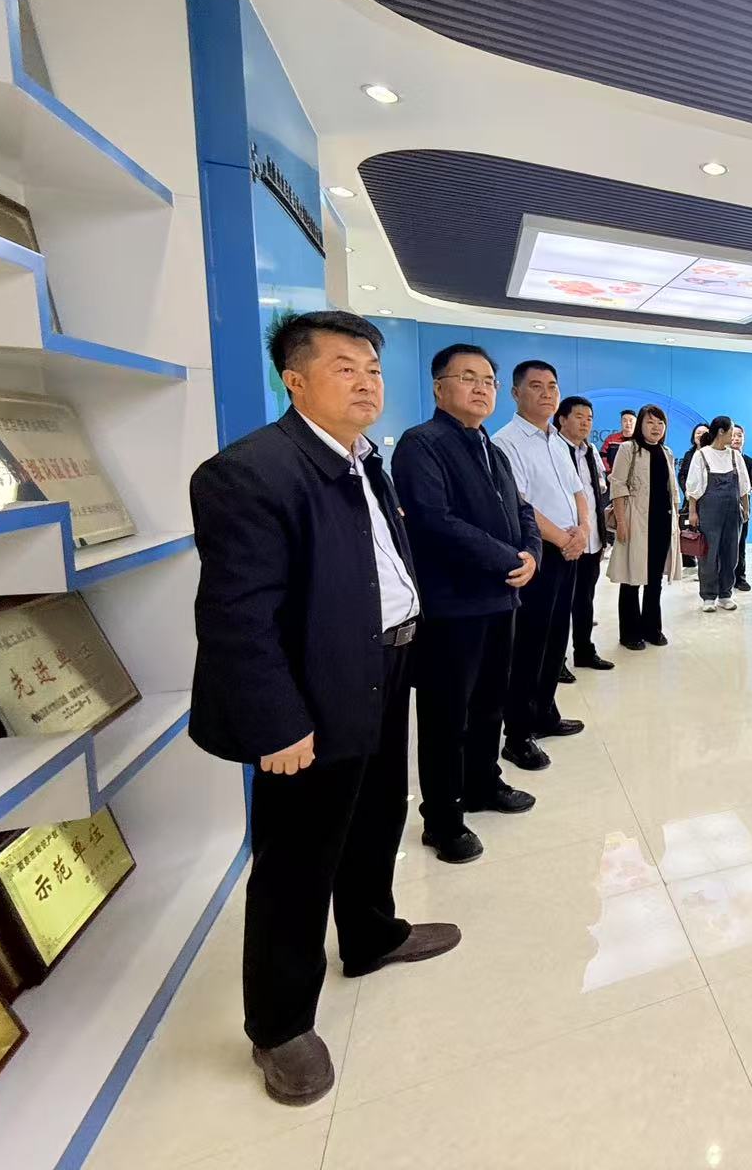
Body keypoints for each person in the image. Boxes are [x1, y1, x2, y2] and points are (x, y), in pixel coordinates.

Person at [188, 312, 459, 1107]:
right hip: (312, 690)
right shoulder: (250, 473)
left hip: (385, 665)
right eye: (345, 367)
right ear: (295, 380)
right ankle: (279, 1026)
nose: (367, 381)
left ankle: (371, 934)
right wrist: (277, 722)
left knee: (376, 814)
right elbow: (237, 615)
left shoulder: (363, 460)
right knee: (297, 861)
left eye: (372, 367)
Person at [392, 345, 543, 866]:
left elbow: (522, 508)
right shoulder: (422, 444)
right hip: (453, 605)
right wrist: (508, 558)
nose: (481, 388)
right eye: (468, 377)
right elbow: (432, 520)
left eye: (488, 380)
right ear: (439, 387)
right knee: (445, 715)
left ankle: (482, 783)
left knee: (490, 703)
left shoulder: (490, 448)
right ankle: (442, 819)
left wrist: (532, 552)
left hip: (501, 599)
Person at [491, 360, 587, 769]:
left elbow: (578, 491)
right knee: (529, 645)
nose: (547, 393)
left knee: (556, 638)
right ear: (516, 393)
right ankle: (517, 735)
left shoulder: (558, 442)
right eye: (536, 386)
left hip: (569, 551)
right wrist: (563, 539)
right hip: (537, 555)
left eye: (552, 386)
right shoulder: (506, 442)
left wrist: (583, 530)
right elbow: (521, 505)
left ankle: (545, 712)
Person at [608, 404, 682, 649]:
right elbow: (618, 486)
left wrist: (676, 523)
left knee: (654, 580)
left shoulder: (666, 452)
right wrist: (621, 522)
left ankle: (652, 629)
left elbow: (672, 490)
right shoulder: (628, 449)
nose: (656, 427)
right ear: (640, 424)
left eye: (660, 423)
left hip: (662, 523)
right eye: (650, 422)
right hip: (635, 522)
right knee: (632, 578)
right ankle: (629, 633)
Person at [557, 394, 614, 673]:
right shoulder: (554, 449)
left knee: (585, 599)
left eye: (589, 418)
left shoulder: (590, 450)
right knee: (560, 604)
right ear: (562, 419)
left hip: (592, 539)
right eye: (579, 417)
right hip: (564, 541)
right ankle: (556, 661)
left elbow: (599, 490)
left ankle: (584, 651)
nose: (585, 423)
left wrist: (601, 536)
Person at [685, 415, 751, 611]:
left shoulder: (735, 456)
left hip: (733, 513)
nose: (734, 436)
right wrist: (692, 512)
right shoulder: (702, 455)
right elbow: (693, 488)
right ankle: (708, 596)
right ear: (721, 432)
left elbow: (744, 486)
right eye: (731, 432)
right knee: (708, 554)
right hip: (709, 512)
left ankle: (725, 594)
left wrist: (746, 508)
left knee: (731, 554)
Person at [678, 423, 709, 571]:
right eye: (698, 433)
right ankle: (689, 560)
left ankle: (705, 563)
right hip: (690, 498)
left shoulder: (712, 453)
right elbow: (682, 475)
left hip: (708, 500)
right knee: (689, 528)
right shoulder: (689, 455)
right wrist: (687, 491)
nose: (700, 435)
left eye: (704, 432)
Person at [731, 424, 752, 592]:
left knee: (741, 543)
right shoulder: (722, 458)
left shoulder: (748, 460)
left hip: (743, 506)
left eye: (739, 435)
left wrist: (743, 486)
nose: (736, 439)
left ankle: (740, 577)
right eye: (733, 435)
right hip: (724, 506)